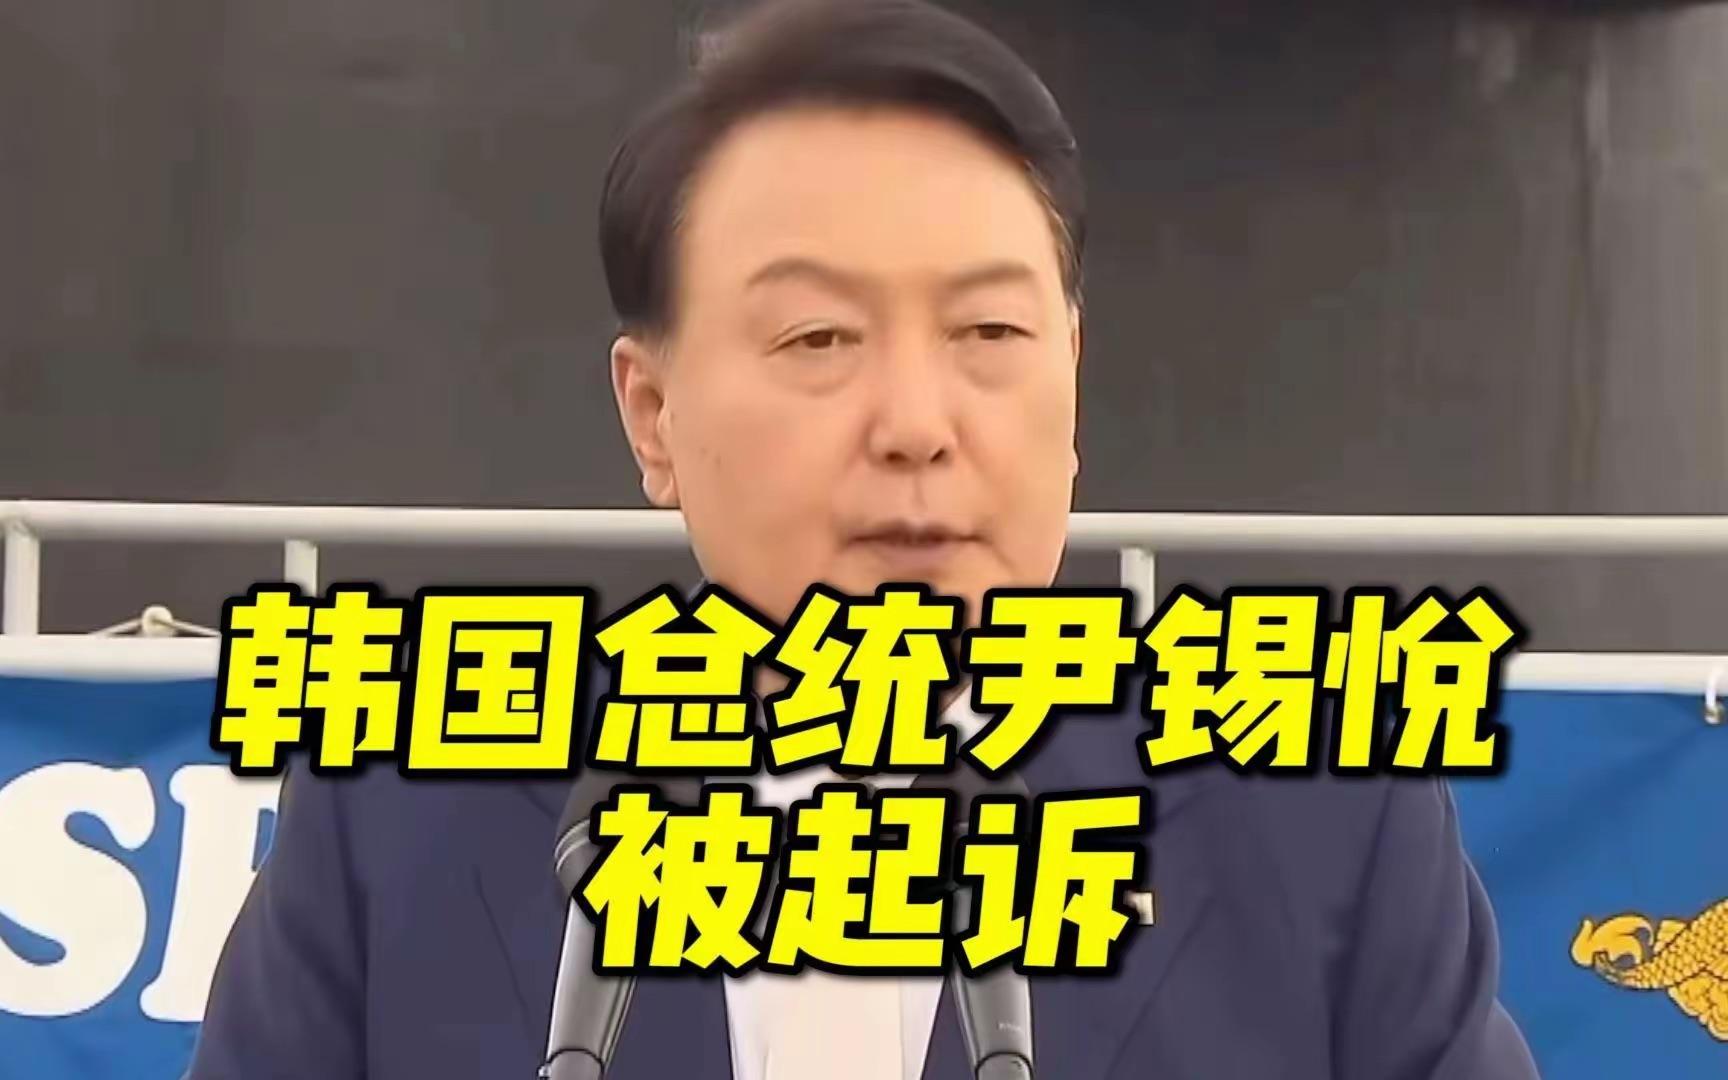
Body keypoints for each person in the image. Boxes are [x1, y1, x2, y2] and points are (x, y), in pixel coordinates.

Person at [187, 1, 1541, 1077]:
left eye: (990, 333)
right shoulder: (401, 813)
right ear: (653, 416)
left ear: (1072, 380)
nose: (916, 427)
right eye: (819, 338)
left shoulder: (1321, 812)